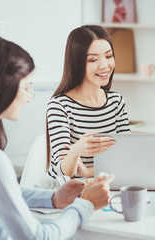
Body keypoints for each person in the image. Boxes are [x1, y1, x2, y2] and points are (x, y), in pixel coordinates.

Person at [0, 36, 114, 240]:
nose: (29, 97)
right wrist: (86, 205)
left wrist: (54, 198)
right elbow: (38, 237)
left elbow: (0, 192)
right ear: (3, 87)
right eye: (27, 87)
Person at [46, 25, 130, 183]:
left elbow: (125, 157)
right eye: (93, 59)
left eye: (109, 56)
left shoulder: (116, 101)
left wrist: (88, 171)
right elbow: (63, 172)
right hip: (68, 193)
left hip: (107, 187)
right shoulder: (60, 105)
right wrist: (75, 152)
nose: (104, 65)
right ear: (76, 62)